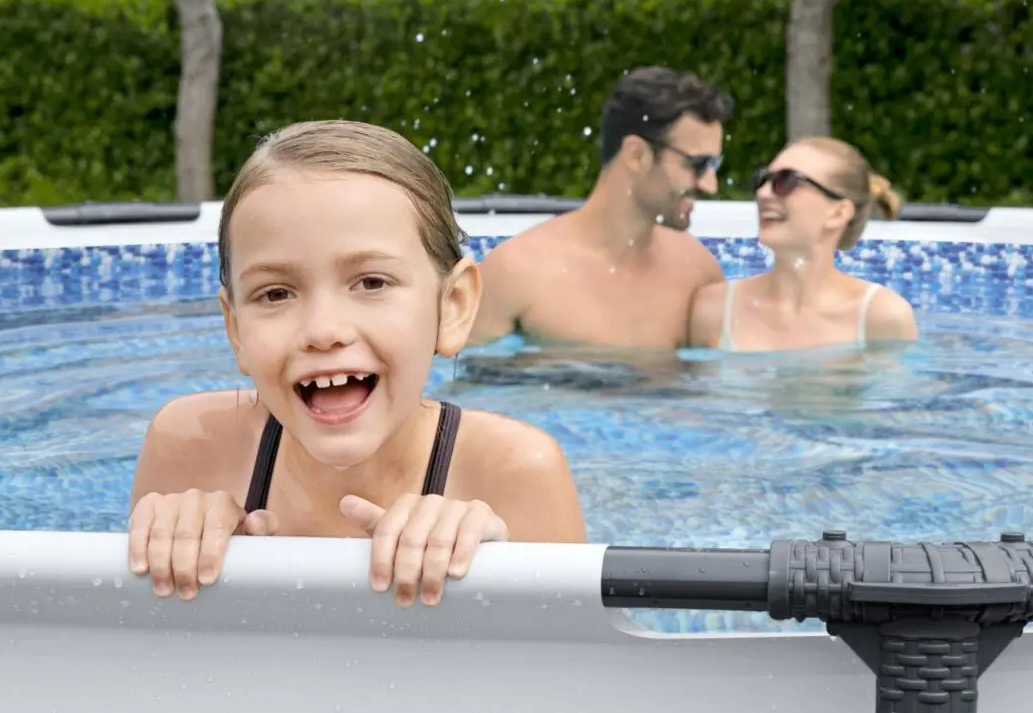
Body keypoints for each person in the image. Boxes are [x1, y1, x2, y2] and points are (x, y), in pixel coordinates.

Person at [127, 120, 587, 606]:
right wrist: (203, 583)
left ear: (452, 307)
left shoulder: (514, 474)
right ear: (236, 328)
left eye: (372, 283)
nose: (324, 331)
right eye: (276, 293)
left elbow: (572, 653)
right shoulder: (192, 449)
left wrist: (492, 572)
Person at [468, 66, 733, 350]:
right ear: (637, 156)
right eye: (697, 165)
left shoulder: (697, 272)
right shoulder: (517, 272)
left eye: (714, 165)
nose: (710, 185)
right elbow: (460, 374)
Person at [688, 136, 918, 352]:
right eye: (763, 180)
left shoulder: (881, 317)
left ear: (838, 213)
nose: (763, 193)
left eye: (787, 181)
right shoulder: (713, 309)